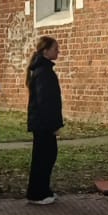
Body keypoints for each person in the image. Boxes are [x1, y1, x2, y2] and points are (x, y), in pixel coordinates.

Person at [25, 35, 63, 204]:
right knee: (43, 157)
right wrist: (52, 125)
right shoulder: (43, 72)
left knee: (47, 155)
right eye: (55, 49)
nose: (58, 52)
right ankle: (37, 192)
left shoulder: (43, 70)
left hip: (42, 122)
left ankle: (43, 189)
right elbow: (45, 101)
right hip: (43, 123)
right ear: (46, 51)